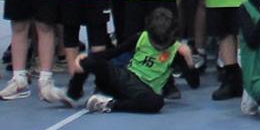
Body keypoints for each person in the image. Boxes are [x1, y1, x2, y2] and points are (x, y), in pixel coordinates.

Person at [64, 7, 199, 113]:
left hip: (144, 91)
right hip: (124, 78)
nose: (158, 47)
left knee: (157, 103)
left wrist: (189, 58)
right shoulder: (142, 37)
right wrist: (87, 59)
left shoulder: (177, 52)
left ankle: (108, 104)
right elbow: (114, 52)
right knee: (87, 62)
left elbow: (194, 84)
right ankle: (72, 94)